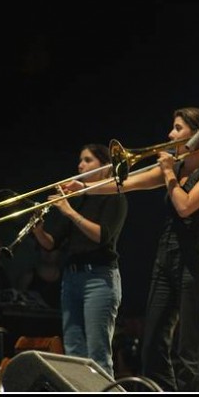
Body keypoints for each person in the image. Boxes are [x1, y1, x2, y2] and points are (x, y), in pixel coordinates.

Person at [65, 107, 199, 392]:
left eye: (177, 128)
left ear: (198, 133)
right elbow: (124, 183)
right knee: (151, 344)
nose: (170, 134)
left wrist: (167, 172)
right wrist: (83, 187)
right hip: (167, 253)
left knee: (189, 346)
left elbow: (185, 206)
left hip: (198, 256)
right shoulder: (173, 169)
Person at [30, 143, 128, 378]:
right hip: (72, 278)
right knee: (74, 351)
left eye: (87, 160)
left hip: (99, 278)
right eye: (80, 160)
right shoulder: (78, 200)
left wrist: (69, 211)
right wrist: (38, 230)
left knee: (97, 353)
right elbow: (52, 243)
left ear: (105, 166)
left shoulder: (115, 196)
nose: (80, 165)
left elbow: (102, 236)